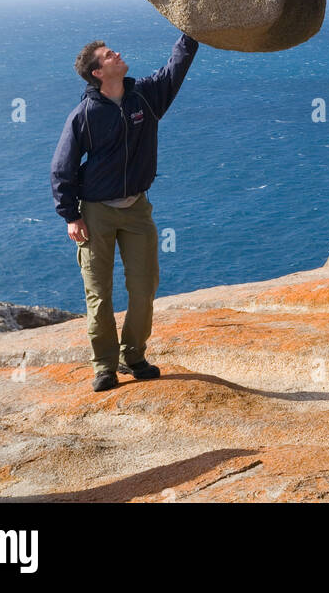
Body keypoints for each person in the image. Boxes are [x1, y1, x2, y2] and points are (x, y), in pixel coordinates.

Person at [50, 32, 199, 391]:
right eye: (108, 55)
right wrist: (71, 215)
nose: (117, 53)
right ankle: (104, 365)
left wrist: (191, 33)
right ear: (97, 72)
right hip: (96, 213)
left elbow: (175, 69)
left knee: (144, 286)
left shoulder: (144, 97)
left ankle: (132, 355)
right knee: (99, 293)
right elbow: (62, 168)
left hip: (137, 209)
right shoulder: (84, 115)